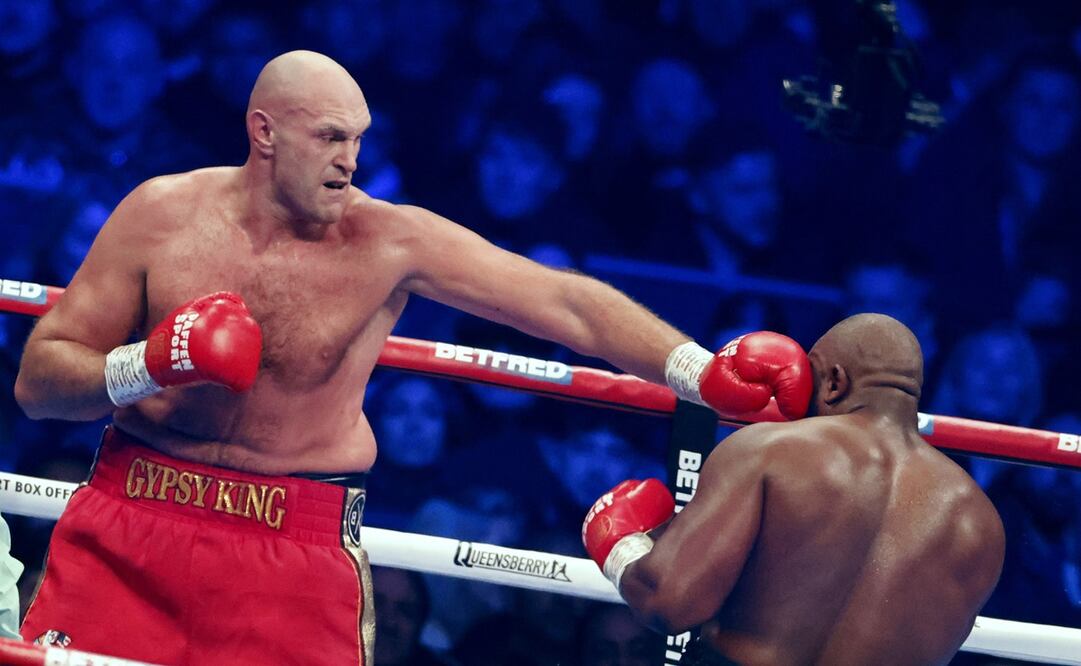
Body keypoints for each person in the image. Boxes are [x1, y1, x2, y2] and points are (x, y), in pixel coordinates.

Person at [13, 50, 812, 664]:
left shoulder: (387, 241)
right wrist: (149, 364)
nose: (348, 160)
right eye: (329, 137)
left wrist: (696, 372)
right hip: (131, 521)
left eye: (357, 140)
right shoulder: (159, 215)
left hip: (290, 547)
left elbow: (563, 301)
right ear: (264, 132)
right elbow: (39, 383)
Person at [583, 314, 1005, 665]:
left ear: (834, 381)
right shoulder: (981, 522)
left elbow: (667, 603)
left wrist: (623, 545)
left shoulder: (770, 449)